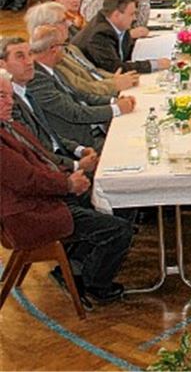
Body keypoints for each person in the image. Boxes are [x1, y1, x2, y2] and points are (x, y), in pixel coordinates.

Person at [0, 68, 135, 307]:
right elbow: (28, 180)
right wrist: (67, 184)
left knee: (117, 198)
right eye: (2, 96)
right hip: (29, 214)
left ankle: (74, 265)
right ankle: (95, 284)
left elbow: (42, 158)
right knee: (118, 230)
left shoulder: (10, 126)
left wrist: (70, 176)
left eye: (11, 96)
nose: (10, 102)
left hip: (45, 198)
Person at [72, 0, 170, 75]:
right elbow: (115, 68)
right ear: (117, 15)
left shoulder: (115, 22)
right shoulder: (100, 34)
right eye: (131, 14)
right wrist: (154, 64)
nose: (134, 18)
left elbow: (124, 51)